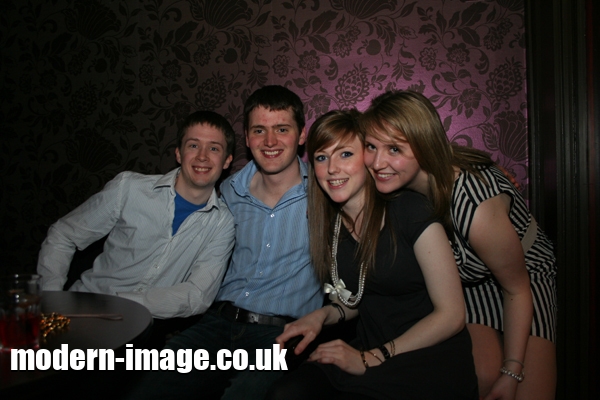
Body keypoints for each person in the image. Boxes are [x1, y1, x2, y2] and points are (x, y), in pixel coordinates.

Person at [128, 85, 323, 400]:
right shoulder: (226, 192)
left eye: (282, 129)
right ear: (247, 138)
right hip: (215, 323)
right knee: (149, 387)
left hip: (281, 334)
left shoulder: (325, 193)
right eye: (259, 130)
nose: (270, 141)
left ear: (301, 135)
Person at [267, 110, 478, 399]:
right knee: (285, 392)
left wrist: (373, 357)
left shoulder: (411, 210)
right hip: (369, 346)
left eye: (345, 154)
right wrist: (320, 316)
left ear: (367, 159)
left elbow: (452, 315)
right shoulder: (331, 225)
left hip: (427, 356)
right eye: (321, 157)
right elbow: (356, 297)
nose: (332, 169)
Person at [360, 90, 557, 400]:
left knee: (529, 391)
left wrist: (512, 370)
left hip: (524, 277)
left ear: (424, 146)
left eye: (394, 148)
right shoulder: (393, 184)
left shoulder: (472, 203)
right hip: (470, 281)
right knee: (480, 377)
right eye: (371, 146)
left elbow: (516, 289)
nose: (376, 162)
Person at [36, 110, 236, 321]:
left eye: (214, 148)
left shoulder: (222, 223)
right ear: (178, 154)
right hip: (83, 309)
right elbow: (63, 235)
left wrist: (121, 304)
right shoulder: (129, 189)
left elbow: (197, 295)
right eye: (193, 145)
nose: (202, 156)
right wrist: (51, 300)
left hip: (142, 327)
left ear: (227, 161)